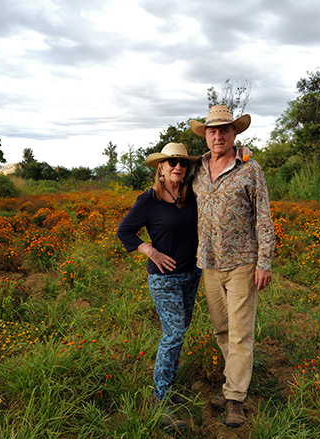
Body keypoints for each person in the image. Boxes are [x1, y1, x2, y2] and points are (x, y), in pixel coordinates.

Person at [189, 105, 275, 428]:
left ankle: (235, 397)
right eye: (212, 131)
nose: (218, 136)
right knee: (222, 330)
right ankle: (232, 383)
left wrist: (264, 261)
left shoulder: (250, 169)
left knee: (240, 333)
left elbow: (263, 217)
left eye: (224, 130)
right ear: (205, 136)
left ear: (234, 133)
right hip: (209, 263)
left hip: (242, 262)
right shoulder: (198, 170)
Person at [116, 142, 201, 431]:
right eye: (171, 162)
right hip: (164, 277)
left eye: (183, 162)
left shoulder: (192, 194)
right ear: (161, 167)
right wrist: (150, 251)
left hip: (191, 274)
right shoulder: (148, 200)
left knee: (181, 329)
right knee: (174, 333)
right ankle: (160, 397)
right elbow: (125, 231)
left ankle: (169, 384)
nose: (177, 166)